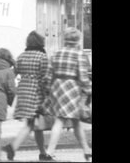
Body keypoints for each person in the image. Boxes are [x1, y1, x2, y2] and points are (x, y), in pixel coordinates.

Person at [2, 30, 54, 161]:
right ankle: (13, 147)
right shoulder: (42, 57)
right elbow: (45, 78)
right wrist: (49, 94)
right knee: (32, 123)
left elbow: (14, 73)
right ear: (40, 42)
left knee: (35, 125)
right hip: (36, 93)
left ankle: (42, 153)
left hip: (24, 92)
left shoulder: (21, 56)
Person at [43, 28, 92, 161]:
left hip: (57, 87)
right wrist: (88, 90)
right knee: (61, 120)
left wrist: (48, 89)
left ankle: (87, 150)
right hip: (72, 88)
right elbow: (82, 76)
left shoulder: (56, 53)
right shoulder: (79, 54)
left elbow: (48, 74)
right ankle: (49, 152)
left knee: (74, 121)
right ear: (77, 40)